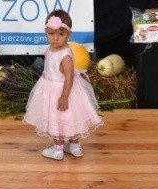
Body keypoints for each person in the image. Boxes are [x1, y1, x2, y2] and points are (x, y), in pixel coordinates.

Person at [23, 10, 103, 161]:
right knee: (64, 118)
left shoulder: (65, 56)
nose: (55, 38)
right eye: (51, 33)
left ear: (69, 35)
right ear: (45, 32)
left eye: (61, 34)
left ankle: (62, 148)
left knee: (64, 118)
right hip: (49, 87)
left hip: (63, 91)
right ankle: (71, 147)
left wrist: (64, 96)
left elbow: (69, 78)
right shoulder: (49, 49)